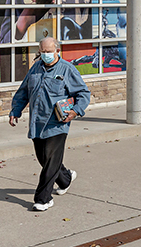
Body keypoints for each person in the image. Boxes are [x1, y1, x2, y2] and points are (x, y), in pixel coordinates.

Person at [9, 37, 91, 211]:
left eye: (48, 51)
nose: (45, 55)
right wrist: (15, 110)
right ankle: (65, 178)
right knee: (44, 159)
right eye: (42, 52)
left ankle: (43, 199)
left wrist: (76, 110)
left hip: (57, 123)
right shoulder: (35, 69)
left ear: (57, 51)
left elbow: (83, 93)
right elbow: (23, 91)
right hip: (37, 123)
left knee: (51, 160)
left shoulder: (67, 69)